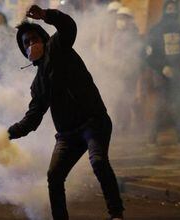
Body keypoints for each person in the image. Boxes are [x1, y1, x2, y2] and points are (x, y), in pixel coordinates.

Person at [8, 5, 124, 220]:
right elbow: (33, 118)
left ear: (44, 38)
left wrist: (46, 15)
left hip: (93, 122)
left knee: (98, 160)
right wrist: (7, 134)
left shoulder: (58, 47)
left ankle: (116, 214)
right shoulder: (38, 84)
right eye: (27, 43)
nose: (32, 44)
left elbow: (68, 26)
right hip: (68, 135)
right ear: (24, 52)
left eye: (35, 39)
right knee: (54, 176)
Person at [145, 0, 180, 146]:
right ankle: (152, 136)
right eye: (169, 8)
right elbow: (149, 55)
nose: (172, 11)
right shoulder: (156, 30)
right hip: (162, 75)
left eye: (174, 8)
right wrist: (162, 67)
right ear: (164, 10)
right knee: (161, 105)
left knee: (179, 104)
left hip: (177, 73)